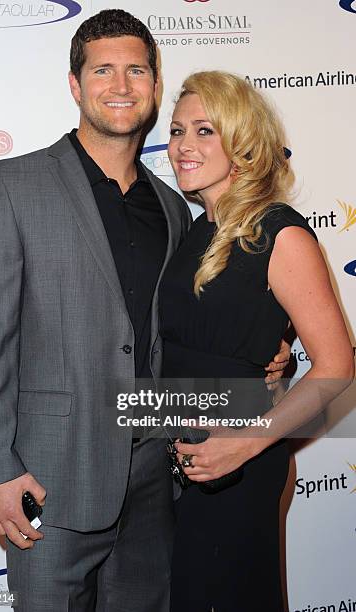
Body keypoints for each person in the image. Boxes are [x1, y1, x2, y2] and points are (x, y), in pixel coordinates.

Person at [0, 12, 290, 612]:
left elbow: (180, 329)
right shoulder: (11, 185)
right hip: (50, 480)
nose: (122, 85)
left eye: (137, 70)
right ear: (75, 85)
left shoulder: (172, 206)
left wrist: (261, 357)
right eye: (103, 70)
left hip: (155, 482)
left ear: (155, 87)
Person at [159, 71, 354, 612]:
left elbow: (337, 364)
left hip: (237, 466)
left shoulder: (281, 232)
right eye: (177, 131)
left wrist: (244, 443)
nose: (183, 146)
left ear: (242, 143)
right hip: (183, 462)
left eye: (204, 131)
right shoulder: (196, 229)